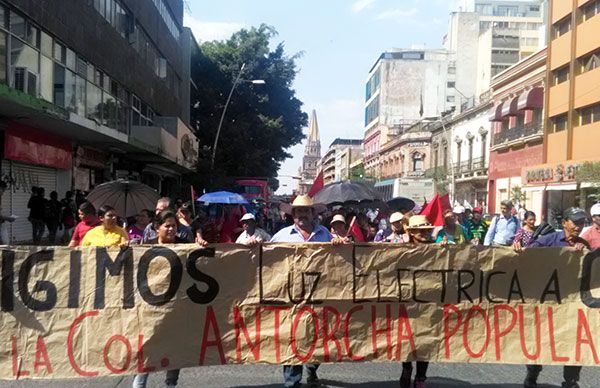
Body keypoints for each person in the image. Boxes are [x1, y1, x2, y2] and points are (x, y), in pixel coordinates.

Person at [270, 195, 341, 387]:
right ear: (293, 215)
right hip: (290, 299)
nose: (302, 214)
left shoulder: (326, 235)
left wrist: (339, 245)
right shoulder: (281, 236)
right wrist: (252, 245)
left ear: (313, 214)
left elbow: (339, 262)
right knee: (292, 340)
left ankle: (312, 367)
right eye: (298, 211)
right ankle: (292, 382)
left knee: (316, 339)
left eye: (306, 211)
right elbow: (265, 260)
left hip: (319, 297)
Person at [523, 207, 590, 388]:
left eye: (582, 223)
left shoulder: (584, 245)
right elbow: (526, 257)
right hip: (548, 303)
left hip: (572, 305)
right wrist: (517, 249)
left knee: (575, 342)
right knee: (540, 340)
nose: (578, 227)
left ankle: (571, 380)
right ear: (564, 223)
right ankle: (532, 375)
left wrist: (584, 253)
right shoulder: (548, 241)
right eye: (575, 222)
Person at [133, 210, 186, 388]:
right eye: (167, 226)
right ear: (157, 228)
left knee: (175, 347)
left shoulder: (187, 246)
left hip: (176, 308)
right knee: (148, 347)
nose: (171, 229)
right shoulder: (145, 246)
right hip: (151, 308)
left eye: (174, 226)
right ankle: (140, 383)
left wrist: (201, 244)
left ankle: (171, 383)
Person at [401, 215, 435, 388]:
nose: (424, 233)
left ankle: (421, 376)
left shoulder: (438, 249)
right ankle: (406, 369)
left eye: (427, 230)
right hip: (407, 302)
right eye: (420, 230)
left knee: (426, 340)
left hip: (429, 303)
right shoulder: (401, 249)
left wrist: (446, 249)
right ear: (411, 232)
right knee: (406, 338)